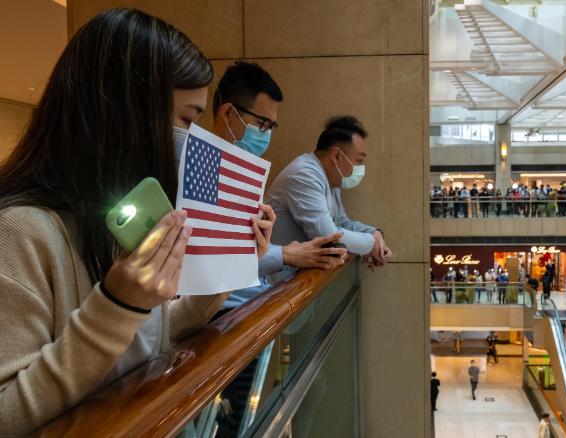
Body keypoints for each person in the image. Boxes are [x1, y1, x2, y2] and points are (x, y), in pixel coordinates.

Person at [0, 9, 272, 435]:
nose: (193, 139)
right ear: (127, 114)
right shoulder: (19, 231)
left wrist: (229, 269)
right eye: (187, 120)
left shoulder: (118, 218)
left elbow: (148, 338)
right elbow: (8, 414)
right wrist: (116, 305)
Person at [210, 61, 348, 315]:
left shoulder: (242, 170)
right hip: (221, 314)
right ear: (228, 114)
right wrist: (285, 254)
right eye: (262, 124)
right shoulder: (204, 171)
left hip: (255, 302)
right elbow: (210, 259)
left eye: (272, 127)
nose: (267, 134)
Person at [266, 116, 392, 269]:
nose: (361, 167)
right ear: (337, 156)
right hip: (277, 283)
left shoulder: (331, 179)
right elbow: (329, 237)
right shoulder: (304, 174)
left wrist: (375, 233)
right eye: (359, 160)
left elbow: (342, 222)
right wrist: (371, 243)